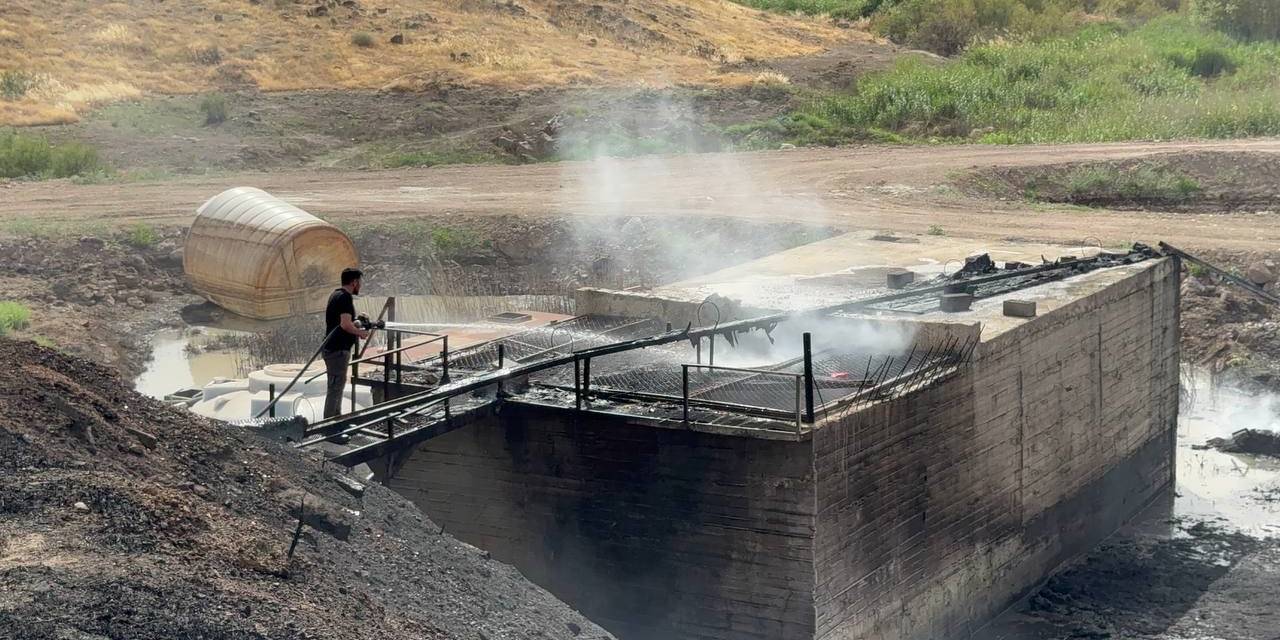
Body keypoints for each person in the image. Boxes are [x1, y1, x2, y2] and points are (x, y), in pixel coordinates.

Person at [322, 267, 370, 419]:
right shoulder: (345, 298)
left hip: (333, 348)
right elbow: (345, 325)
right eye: (359, 282)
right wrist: (361, 332)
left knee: (337, 386)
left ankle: (336, 419)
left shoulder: (336, 295)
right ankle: (330, 425)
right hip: (337, 350)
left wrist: (357, 322)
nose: (360, 286)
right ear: (354, 282)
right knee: (335, 388)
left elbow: (343, 323)